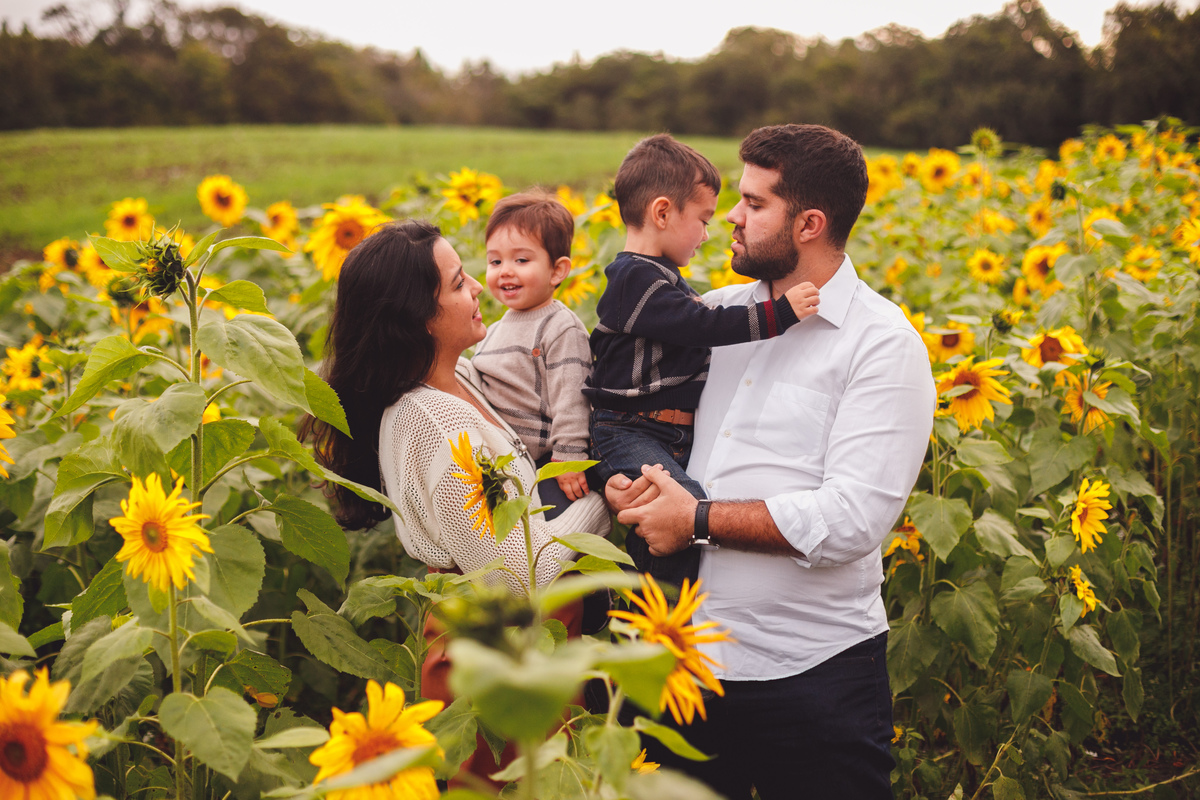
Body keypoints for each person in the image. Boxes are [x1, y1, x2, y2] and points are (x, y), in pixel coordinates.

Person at [606, 124, 936, 800]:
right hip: (681, 662)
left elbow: (851, 520)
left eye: (754, 205)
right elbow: (642, 417)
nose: (730, 215)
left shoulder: (882, 345)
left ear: (810, 223)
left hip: (815, 678)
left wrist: (693, 520)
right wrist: (626, 481)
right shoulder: (712, 317)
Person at [585, 133, 820, 590]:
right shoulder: (634, 280)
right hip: (630, 429)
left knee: (668, 511)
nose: (710, 233)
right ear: (662, 213)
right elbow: (703, 326)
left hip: (663, 432)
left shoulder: (663, 282)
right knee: (681, 512)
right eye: (703, 219)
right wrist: (780, 314)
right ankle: (657, 620)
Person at [471, 192, 593, 520]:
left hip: (544, 466)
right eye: (495, 262)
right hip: (500, 466)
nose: (505, 271)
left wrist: (569, 458)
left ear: (557, 270)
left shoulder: (560, 326)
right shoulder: (494, 329)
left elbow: (571, 397)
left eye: (521, 261)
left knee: (553, 550)